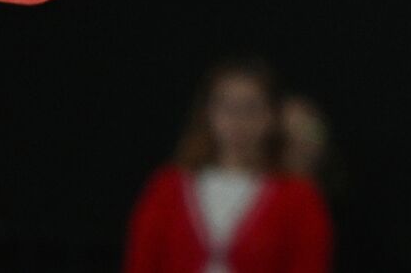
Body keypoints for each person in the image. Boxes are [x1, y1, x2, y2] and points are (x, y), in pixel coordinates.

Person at [123, 58, 333, 273]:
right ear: (208, 112)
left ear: (271, 116)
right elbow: (142, 263)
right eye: (227, 106)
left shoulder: (298, 197)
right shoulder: (168, 187)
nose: (237, 120)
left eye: (250, 108)